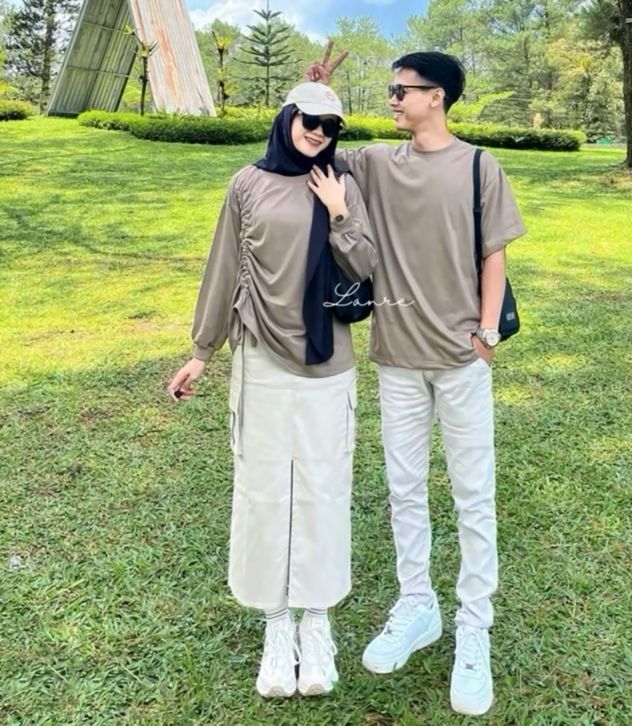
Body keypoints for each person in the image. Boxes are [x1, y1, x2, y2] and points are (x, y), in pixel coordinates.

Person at [307, 47, 526, 716]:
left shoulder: (480, 166)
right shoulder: (377, 163)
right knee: (404, 492)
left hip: (461, 361)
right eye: (392, 89)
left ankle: (474, 628)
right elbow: (313, 149)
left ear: (439, 97)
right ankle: (417, 606)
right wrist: (315, 95)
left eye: (404, 90)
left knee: (472, 496)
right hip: (396, 359)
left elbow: (494, 257)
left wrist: (486, 336)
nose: (394, 99)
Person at [167, 82, 377, 699]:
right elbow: (223, 266)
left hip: (327, 362)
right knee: (263, 493)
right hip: (259, 356)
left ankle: (318, 623)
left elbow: (365, 264)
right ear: (287, 116)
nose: (318, 133)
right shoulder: (248, 183)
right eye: (309, 119)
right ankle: (277, 626)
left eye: (331, 126)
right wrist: (202, 351)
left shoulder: (340, 181)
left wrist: (338, 210)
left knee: (323, 490)